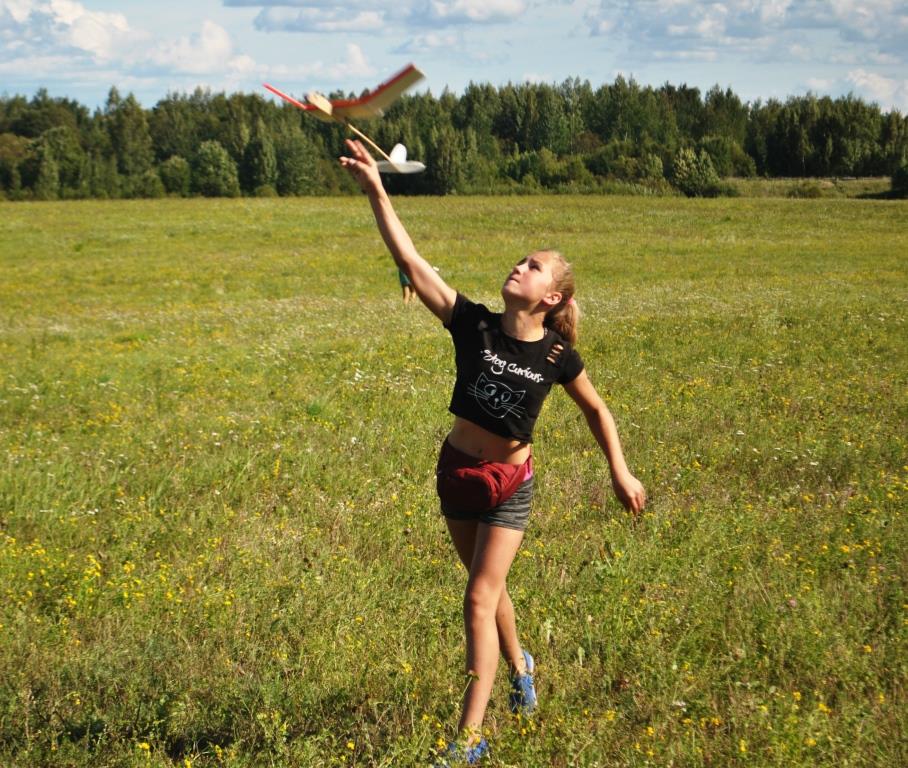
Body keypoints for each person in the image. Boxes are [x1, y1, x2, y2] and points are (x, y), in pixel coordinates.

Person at [340, 139, 647, 765]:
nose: (519, 268)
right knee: (490, 590)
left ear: (552, 298)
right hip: (456, 475)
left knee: (479, 598)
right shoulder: (470, 323)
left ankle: (470, 740)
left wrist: (620, 469)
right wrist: (377, 187)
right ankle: (520, 665)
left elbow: (596, 409)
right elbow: (411, 258)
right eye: (520, 260)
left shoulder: (556, 356)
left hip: (510, 485)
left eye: (533, 267)